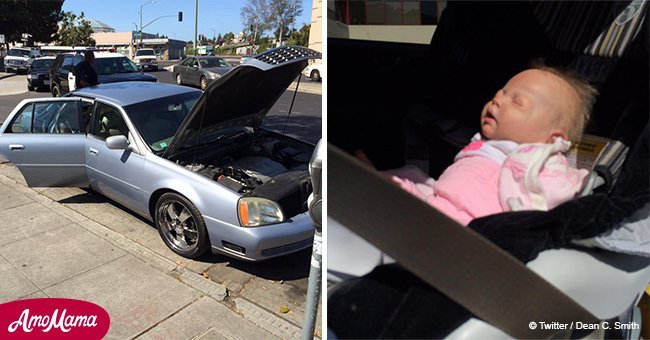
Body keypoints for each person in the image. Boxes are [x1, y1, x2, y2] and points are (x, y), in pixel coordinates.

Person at [358, 66, 599, 226]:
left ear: (552, 138)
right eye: (501, 93)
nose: (498, 100)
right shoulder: (487, 144)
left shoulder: (544, 163)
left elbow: (561, 199)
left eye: (517, 102)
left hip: (467, 234)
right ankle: (377, 184)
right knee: (411, 177)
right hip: (438, 206)